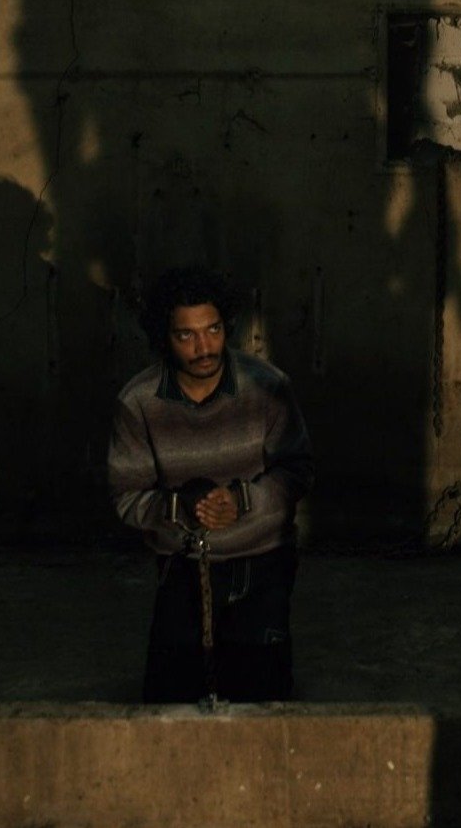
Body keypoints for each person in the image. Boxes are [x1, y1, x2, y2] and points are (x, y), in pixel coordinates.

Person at [109, 265, 314, 702]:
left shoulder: (267, 387)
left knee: (262, 701)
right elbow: (126, 496)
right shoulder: (138, 401)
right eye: (186, 335)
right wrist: (181, 508)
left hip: (262, 562)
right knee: (171, 704)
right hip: (182, 566)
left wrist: (242, 501)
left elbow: (297, 470)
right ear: (164, 337)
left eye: (213, 330)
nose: (204, 348)